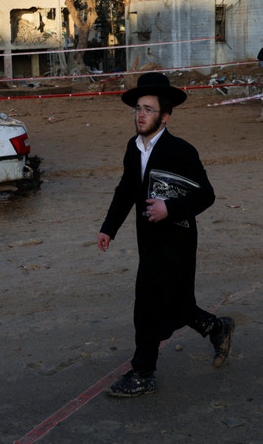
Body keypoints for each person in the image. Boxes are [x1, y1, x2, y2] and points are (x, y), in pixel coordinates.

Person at [97, 72, 235, 398]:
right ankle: (217, 327)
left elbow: (206, 195)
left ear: (165, 115)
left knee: (151, 307)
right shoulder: (133, 148)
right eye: (137, 109)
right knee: (176, 306)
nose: (140, 114)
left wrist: (169, 209)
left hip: (178, 243)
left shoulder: (181, 150)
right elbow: (126, 191)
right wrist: (108, 228)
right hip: (148, 242)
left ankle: (143, 372)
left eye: (148, 109)